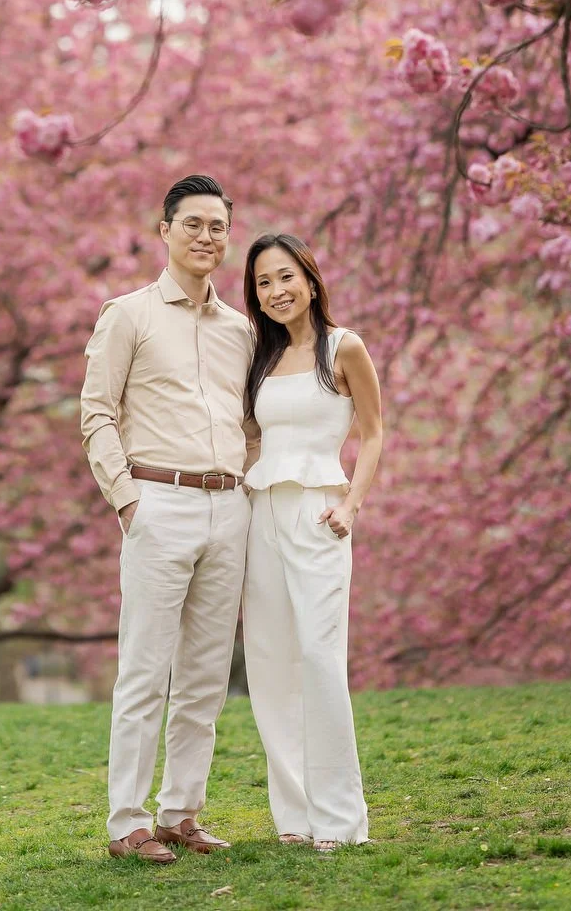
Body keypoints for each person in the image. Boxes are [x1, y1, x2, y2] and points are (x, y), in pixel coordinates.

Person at [80, 173, 258, 865]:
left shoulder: (242, 330)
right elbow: (96, 412)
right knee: (145, 671)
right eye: (193, 224)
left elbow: (252, 423)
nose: (207, 236)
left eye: (218, 226)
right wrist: (127, 499)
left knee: (207, 675)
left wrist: (245, 481)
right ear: (165, 231)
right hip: (159, 502)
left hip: (228, 508)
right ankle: (128, 821)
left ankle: (182, 812)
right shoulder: (128, 314)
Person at [240, 231, 383, 853]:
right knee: (270, 666)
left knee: (321, 660)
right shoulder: (261, 359)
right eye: (263, 283)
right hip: (260, 514)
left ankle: (340, 820)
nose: (275, 291)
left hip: (320, 513)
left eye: (284, 277)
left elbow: (375, 433)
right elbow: (253, 437)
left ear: (310, 277)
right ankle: (294, 818)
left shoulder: (344, 347)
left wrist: (352, 505)